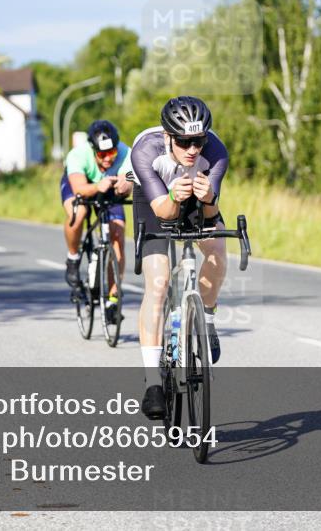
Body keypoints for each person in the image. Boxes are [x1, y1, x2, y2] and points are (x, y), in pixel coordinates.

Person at [128, 96, 229, 419]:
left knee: (217, 251)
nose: (192, 149)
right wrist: (174, 195)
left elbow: (210, 214)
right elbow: (165, 212)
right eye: (184, 141)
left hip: (194, 198)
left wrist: (209, 196)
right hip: (156, 198)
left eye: (198, 141)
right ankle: (154, 383)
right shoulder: (146, 150)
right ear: (169, 136)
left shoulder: (215, 153)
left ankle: (207, 321)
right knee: (158, 281)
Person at [61, 120, 133, 324]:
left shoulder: (125, 152)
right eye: (102, 155)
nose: (108, 159)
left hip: (108, 188)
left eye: (112, 153)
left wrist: (124, 185)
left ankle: (112, 299)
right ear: (93, 150)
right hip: (82, 184)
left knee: (117, 234)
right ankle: (73, 258)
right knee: (79, 212)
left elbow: (128, 182)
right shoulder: (78, 154)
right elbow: (79, 189)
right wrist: (98, 186)